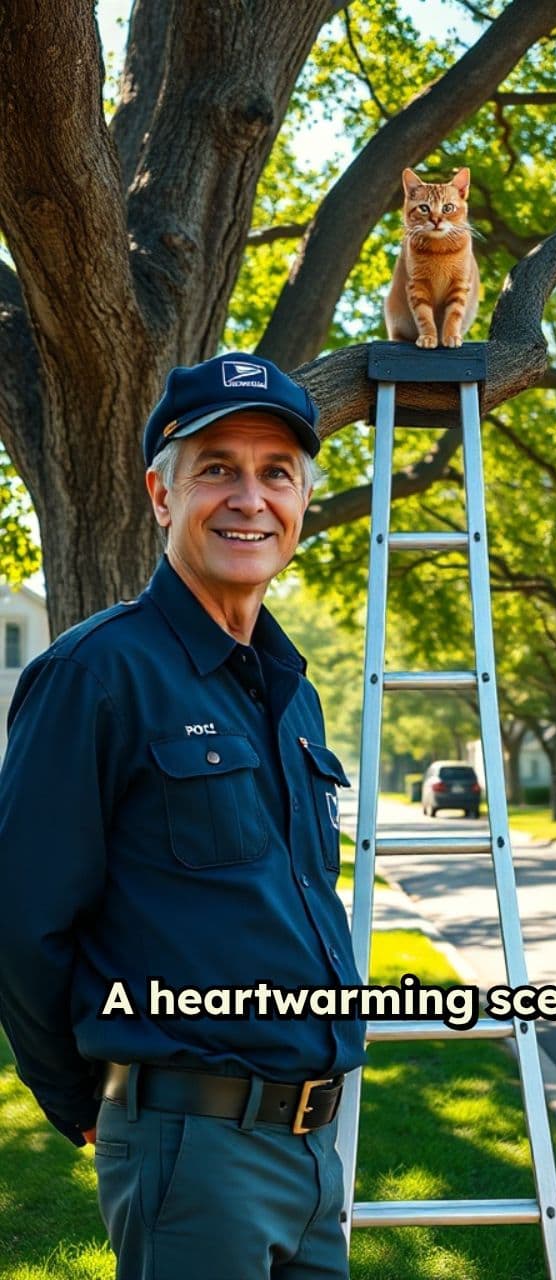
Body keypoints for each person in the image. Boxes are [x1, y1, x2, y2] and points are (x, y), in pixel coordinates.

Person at [0, 352, 366, 1280]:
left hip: (312, 1154)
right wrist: (83, 1098)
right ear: (162, 497)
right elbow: (22, 918)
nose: (250, 498)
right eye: (217, 470)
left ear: (300, 506)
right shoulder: (95, 675)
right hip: (193, 1154)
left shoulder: (290, 693)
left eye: (275, 473)